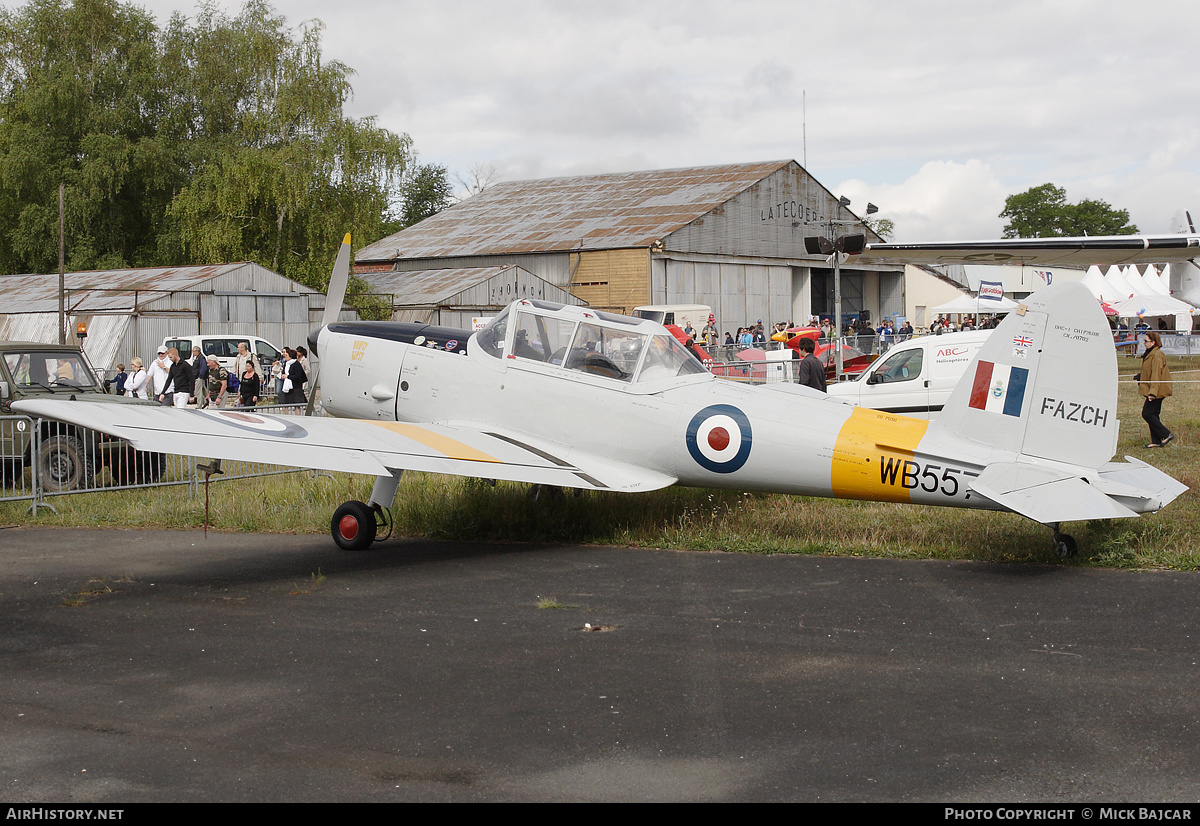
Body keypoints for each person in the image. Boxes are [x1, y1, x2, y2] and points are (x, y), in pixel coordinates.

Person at [1138, 331, 1174, 448]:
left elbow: (1156, 375)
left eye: (1146, 341)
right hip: (1154, 389)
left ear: (1153, 342)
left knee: (1147, 414)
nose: (1144, 343)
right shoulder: (1150, 353)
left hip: (1157, 390)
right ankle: (1156, 441)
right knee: (1154, 414)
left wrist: (1152, 393)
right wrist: (1140, 376)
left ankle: (1166, 434)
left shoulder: (1157, 355)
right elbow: (1149, 370)